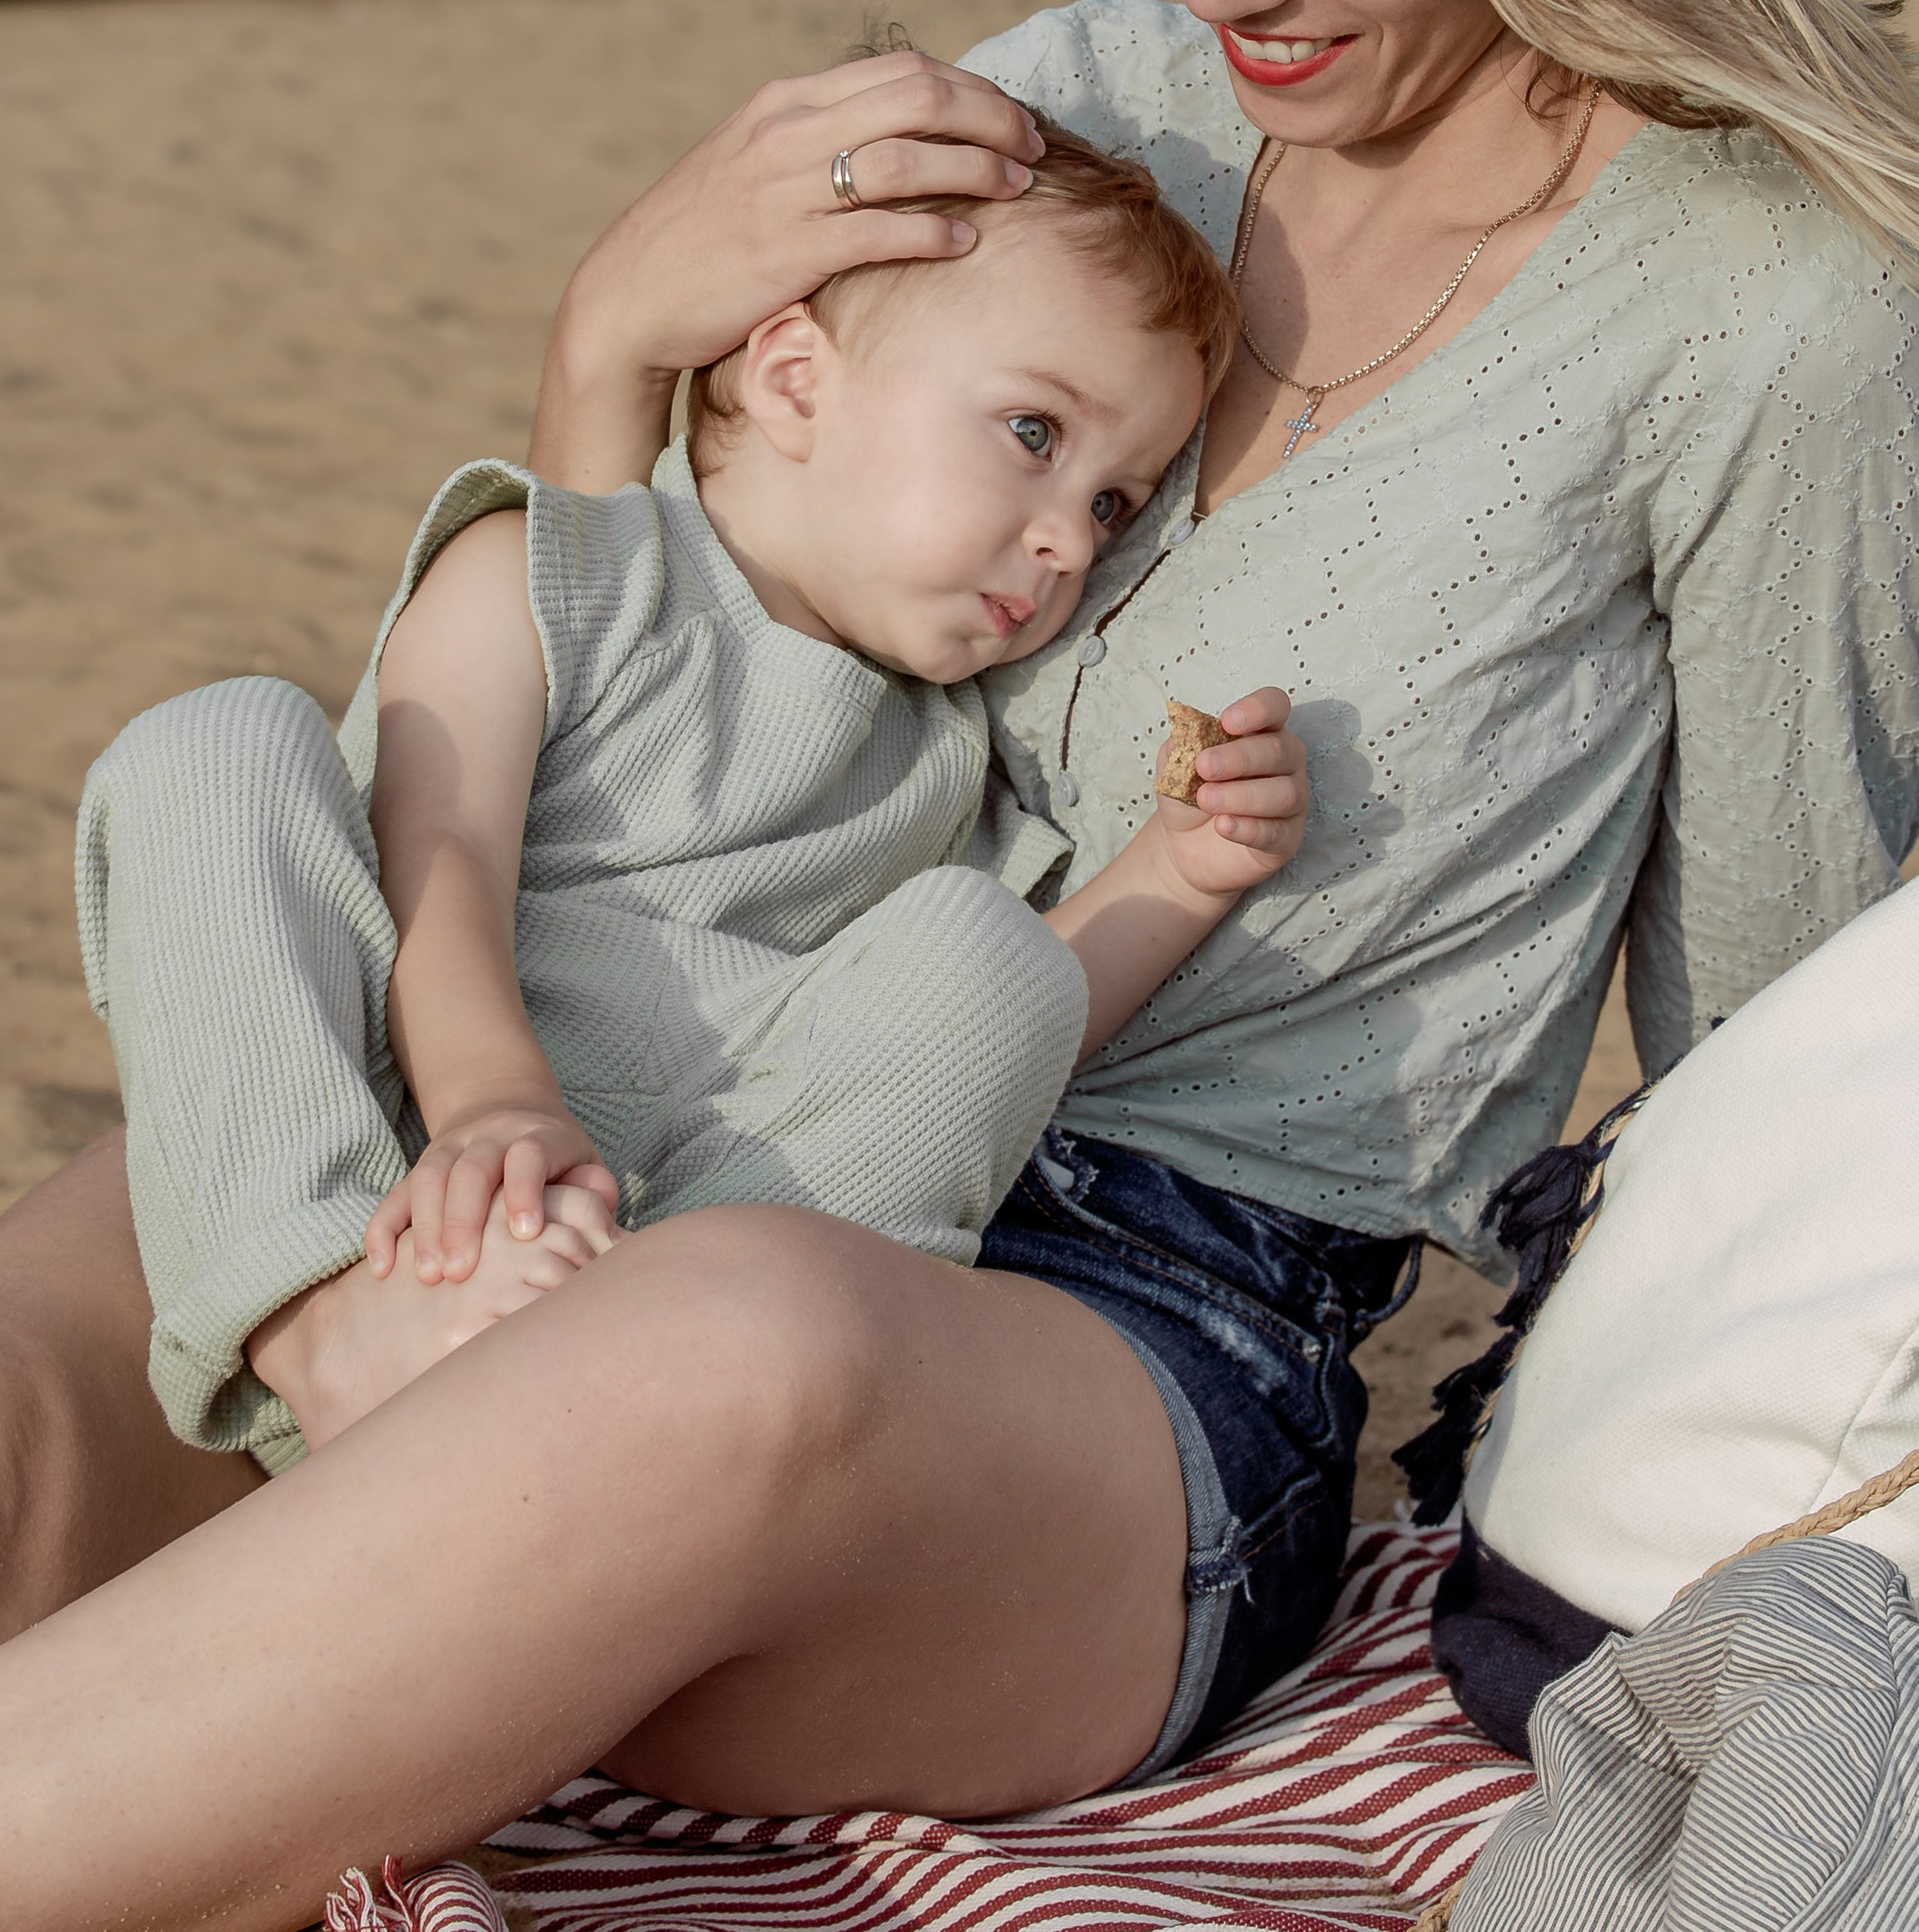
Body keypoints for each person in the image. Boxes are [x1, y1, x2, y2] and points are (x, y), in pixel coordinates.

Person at [0, 0, 1919, 1932]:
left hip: (1131, 1366)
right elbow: (688, 667)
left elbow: (1772, 1072)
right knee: (84, 1274)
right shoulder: (1080, 104)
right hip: (675, 1089)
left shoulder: (1803, 336)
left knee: (739, 1341)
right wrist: (611, 349)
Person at [75, 127, 1308, 1468]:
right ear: (792, 381)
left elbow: (987, 1047)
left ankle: (638, 1393)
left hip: (666, 1252)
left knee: (987, 965)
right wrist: (492, 1105)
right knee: (218, 741)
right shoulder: (559, 569)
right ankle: (315, 1318)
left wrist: (1179, 875)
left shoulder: (948, 761)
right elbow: (441, 854)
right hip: (393, 1159)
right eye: (1032, 433)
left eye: (1116, 502)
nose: (1072, 537)